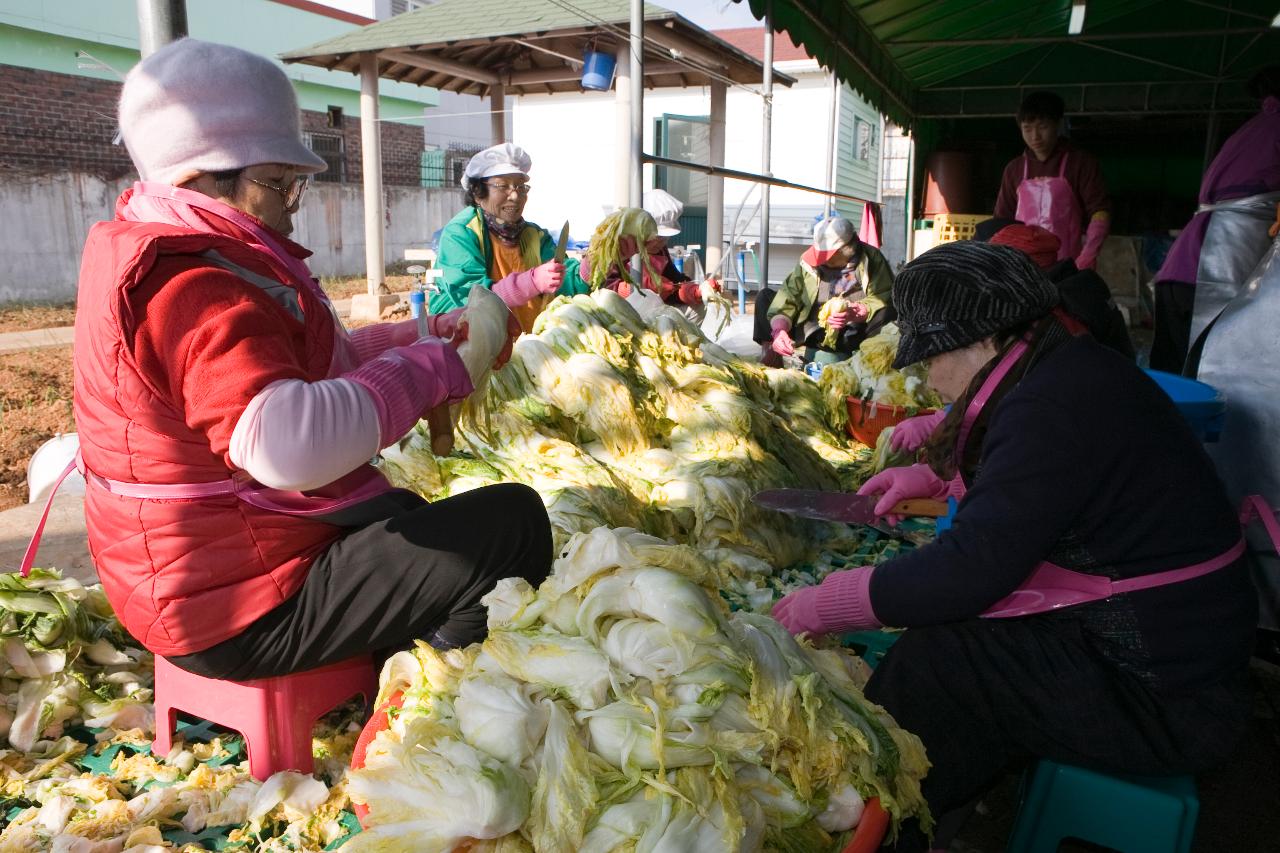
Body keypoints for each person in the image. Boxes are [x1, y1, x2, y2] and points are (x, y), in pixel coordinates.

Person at [73, 39, 548, 681]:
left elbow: (318, 361)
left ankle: (400, 653)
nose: (288, 206)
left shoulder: (178, 250)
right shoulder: (187, 285)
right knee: (511, 521)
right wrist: (439, 366)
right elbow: (285, 444)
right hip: (229, 609)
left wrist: (424, 333)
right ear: (202, 175)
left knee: (409, 513)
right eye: (278, 183)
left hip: (217, 574)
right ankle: (428, 701)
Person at [772, 241, 1257, 851]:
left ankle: (878, 825)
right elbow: (1046, 492)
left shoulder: (1049, 404)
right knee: (962, 649)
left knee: (941, 662)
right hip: (1182, 658)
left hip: (1166, 699)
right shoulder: (1069, 370)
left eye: (929, 358)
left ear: (978, 343)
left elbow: (975, 568)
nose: (925, 375)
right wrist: (939, 481)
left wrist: (832, 601)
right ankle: (923, 804)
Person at [1150, 66, 1280, 373]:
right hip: (1218, 270)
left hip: (1178, 270)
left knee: (1172, 381)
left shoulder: (1249, 130)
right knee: (1212, 377)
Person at [432, 143, 590, 330]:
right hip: (477, 348)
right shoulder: (461, 234)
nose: (515, 196)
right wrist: (531, 282)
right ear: (478, 194)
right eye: (503, 186)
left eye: (520, 187)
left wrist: (590, 265)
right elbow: (473, 300)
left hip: (529, 348)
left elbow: (564, 281)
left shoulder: (534, 236)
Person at [994, 92, 1111, 270]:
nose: (1035, 136)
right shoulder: (1014, 169)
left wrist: (1087, 256)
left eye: (1043, 127)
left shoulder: (1080, 163)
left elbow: (1100, 212)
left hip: (1068, 265)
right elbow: (1001, 220)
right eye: (1027, 129)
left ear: (1058, 124)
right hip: (1021, 266)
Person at [761, 216, 895, 367]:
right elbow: (789, 296)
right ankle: (772, 354)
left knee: (887, 312)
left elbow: (884, 295)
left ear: (847, 249)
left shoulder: (872, 258)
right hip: (811, 326)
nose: (821, 261)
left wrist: (857, 312)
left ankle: (872, 362)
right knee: (764, 297)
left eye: (828, 256)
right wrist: (779, 330)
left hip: (852, 329)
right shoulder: (808, 262)